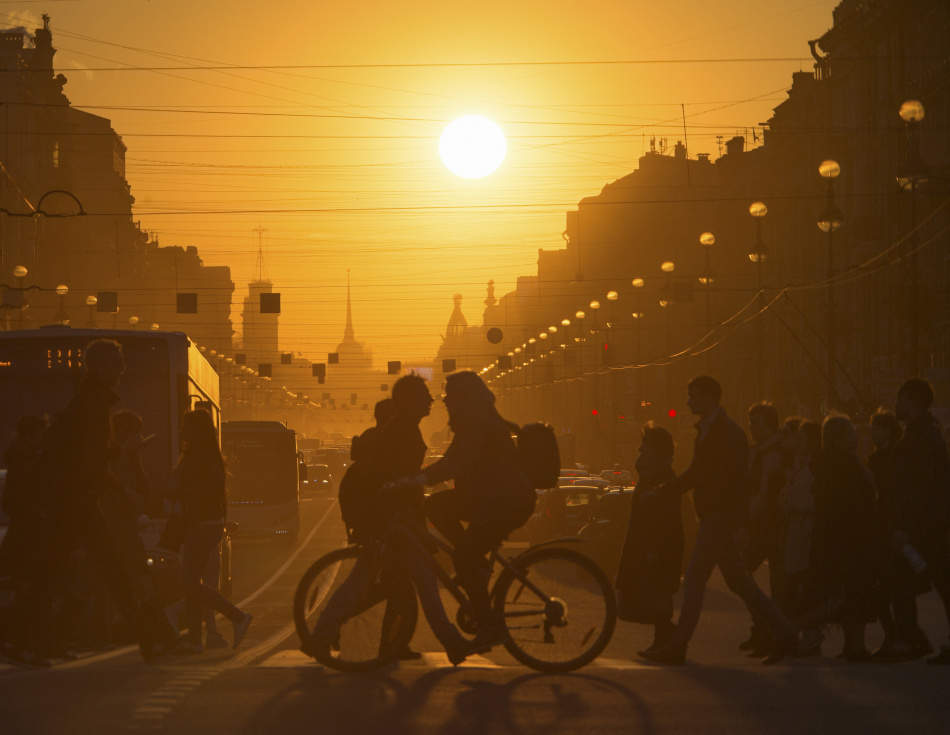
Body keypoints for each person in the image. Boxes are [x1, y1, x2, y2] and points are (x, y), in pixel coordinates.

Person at [638, 376, 798, 666]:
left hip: (719, 518)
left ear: (708, 399)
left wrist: (740, 524)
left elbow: (739, 483)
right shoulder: (711, 431)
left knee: (695, 580)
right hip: (716, 517)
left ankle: (677, 646)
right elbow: (697, 473)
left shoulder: (727, 434)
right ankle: (787, 634)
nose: (688, 402)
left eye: (693, 396)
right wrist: (664, 492)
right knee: (740, 583)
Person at [34, 339, 177, 662]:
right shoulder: (93, 402)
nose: (122, 369)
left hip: (77, 498)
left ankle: (39, 639)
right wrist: (121, 455)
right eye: (115, 363)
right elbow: (89, 458)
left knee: (61, 572)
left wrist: (119, 486)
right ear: (97, 366)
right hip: (78, 501)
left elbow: (87, 461)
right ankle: (148, 639)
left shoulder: (91, 399)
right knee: (96, 570)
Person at [413, 371, 536, 651]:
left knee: (464, 560)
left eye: (450, 396)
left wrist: (417, 479)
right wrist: (418, 477)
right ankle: (475, 562)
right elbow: (449, 461)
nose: (445, 401)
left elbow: (457, 465)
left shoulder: (480, 426)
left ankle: (490, 626)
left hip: (505, 504)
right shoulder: (471, 423)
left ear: (465, 398)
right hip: (484, 500)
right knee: (433, 505)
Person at [170, 409, 252, 655]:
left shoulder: (199, 456)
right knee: (191, 582)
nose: (182, 429)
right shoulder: (204, 454)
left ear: (197, 430)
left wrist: (183, 495)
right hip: (205, 523)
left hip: (202, 524)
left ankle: (237, 616)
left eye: (187, 425)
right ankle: (195, 639)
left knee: (189, 582)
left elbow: (203, 488)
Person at [797, 414, 878, 661]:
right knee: (849, 593)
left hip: (835, 538)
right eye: (851, 434)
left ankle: (853, 646)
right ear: (839, 439)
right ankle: (792, 628)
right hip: (848, 538)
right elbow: (854, 504)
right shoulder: (842, 464)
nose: (856, 437)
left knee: (842, 592)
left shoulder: (831, 462)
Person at [887, 378, 950, 664]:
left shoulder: (920, 439)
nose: (896, 404)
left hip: (926, 529)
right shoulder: (923, 435)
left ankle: (909, 641)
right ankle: (910, 639)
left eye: (900, 399)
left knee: (902, 580)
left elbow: (920, 490)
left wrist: (906, 529)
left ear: (912, 401)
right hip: (928, 526)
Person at [615, 422, 683, 654]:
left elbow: (666, 517)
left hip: (659, 544)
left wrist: (655, 548)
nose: (640, 450)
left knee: (659, 593)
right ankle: (663, 639)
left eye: (646, 446)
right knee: (653, 592)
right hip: (646, 542)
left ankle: (667, 640)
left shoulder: (662, 475)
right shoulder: (651, 473)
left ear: (657, 450)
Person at [0, 415, 51, 663]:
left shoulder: (27, 460)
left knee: (28, 593)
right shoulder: (23, 463)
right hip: (26, 539)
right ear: (31, 436)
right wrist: (39, 512)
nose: (44, 437)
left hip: (27, 537)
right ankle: (21, 644)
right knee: (28, 593)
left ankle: (20, 644)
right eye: (41, 433)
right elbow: (10, 502)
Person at [741, 402, 786, 656]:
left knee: (779, 585)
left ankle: (772, 633)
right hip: (758, 526)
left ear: (769, 424)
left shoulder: (778, 453)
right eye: (750, 423)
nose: (751, 428)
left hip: (775, 525)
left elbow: (763, 493)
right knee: (741, 575)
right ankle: (761, 627)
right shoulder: (753, 452)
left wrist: (746, 522)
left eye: (755, 423)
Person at [778, 420, 821, 638]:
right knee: (796, 586)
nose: (798, 443)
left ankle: (808, 635)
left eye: (802, 439)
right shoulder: (800, 464)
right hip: (796, 530)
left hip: (806, 532)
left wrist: (789, 499)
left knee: (804, 587)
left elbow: (799, 499)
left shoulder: (814, 466)